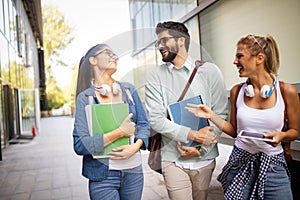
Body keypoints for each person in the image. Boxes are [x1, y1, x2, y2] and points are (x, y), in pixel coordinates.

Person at [185, 34, 299, 200]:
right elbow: (234, 131)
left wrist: (282, 136)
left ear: (259, 58)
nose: (235, 61)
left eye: (240, 56)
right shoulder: (237, 91)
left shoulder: (286, 91)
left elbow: (294, 131)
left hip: (274, 166)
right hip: (240, 163)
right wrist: (211, 115)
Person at [145, 21, 228, 200]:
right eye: (157, 42)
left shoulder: (210, 72)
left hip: (204, 160)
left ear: (181, 40)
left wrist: (202, 149)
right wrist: (193, 135)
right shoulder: (155, 76)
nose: (160, 46)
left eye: (164, 40)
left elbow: (220, 115)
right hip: (171, 158)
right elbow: (156, 119)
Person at [73, 43, 150, 200]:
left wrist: (135, 147)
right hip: (102, 177)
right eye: (107, 53)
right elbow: (80, 145)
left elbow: (144, 125)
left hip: (133, 173)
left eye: (114, 53)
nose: (114, 56)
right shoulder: (85, 99)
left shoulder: (129, 91)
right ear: (93, 60)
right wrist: (120, 132)